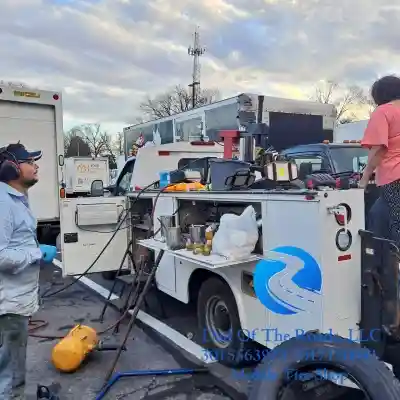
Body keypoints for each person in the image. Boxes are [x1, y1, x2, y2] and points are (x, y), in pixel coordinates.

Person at [0, 143, 57, 399]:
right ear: (11, 167)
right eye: (30, 161)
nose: (35, 166)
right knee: (9, 376)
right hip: (7, 305)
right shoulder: (3, 204)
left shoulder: (15, 199)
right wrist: (37, 253)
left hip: (16, 301)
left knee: (12, 369)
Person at [360, 75, 400, 245]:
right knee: (377, 216)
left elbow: (379, 148)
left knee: (395, 225)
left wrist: (364, 178)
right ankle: (376, 263)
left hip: (393, 178)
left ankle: (393, 267)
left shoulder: (383, 111)